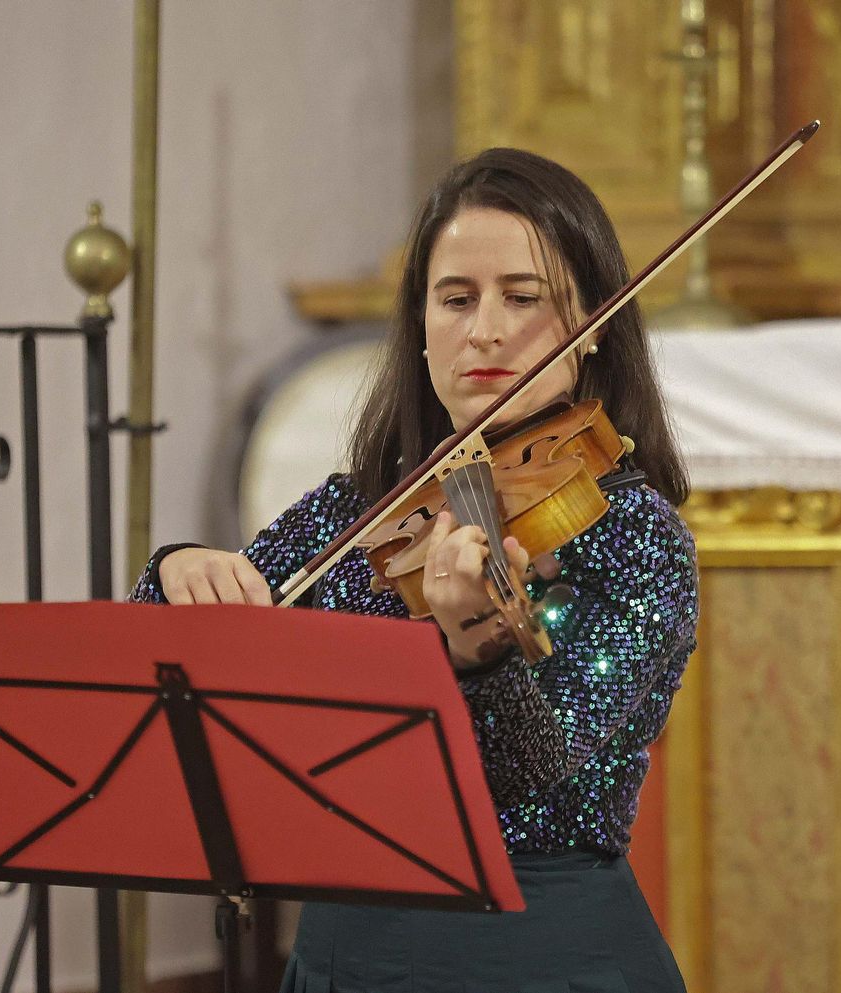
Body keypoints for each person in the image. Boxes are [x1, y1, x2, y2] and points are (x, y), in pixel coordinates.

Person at [130, 147, 697, 992]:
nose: (487, 330)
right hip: (345, 954)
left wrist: (479, 649)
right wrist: (177, 569)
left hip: (544, 953)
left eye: (524, 297)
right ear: (421, 327)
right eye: (456, 299)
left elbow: (529, 776)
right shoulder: (356, 512)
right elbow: (172, 674)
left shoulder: (636, 536)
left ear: (595, 323)